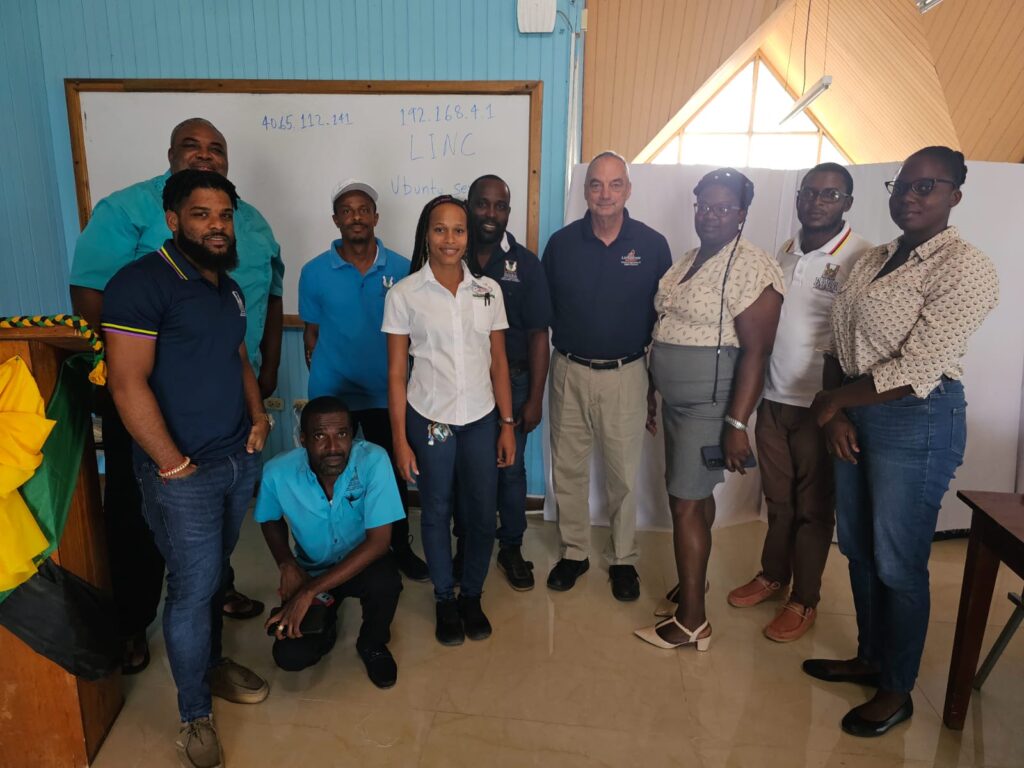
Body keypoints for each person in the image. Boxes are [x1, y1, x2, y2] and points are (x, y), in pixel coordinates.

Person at [70, 117, 279, 671]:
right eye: (193, 145)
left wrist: (266, 378)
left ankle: (214, 588)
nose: (205, 155)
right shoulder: (125, 210)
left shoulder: (248, 221)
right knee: (140, 515)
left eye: (217, 148)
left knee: (216, 511)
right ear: (171, 155)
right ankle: (134, 622)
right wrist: (134, 375)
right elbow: (91, 293)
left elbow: (265, 298)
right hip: (147, 400)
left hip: (229, 396)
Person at [803, 147, 999, 737]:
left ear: (954, 197)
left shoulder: (965, 267)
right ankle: (870, 656)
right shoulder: (874, 259)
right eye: (902, 186)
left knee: (898, 561)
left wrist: (836, 402)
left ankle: (897, 687)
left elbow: (920, 364)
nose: (909, 197)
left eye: (926, 187)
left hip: (917, 421)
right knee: (858, 548)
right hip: (856, 416)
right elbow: (838, 342)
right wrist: (836, 413)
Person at [101, 170, 272, 768]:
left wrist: (258, 419)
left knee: (213, 579)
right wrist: (171, 464)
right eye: (201, 215)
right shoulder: (141, 284)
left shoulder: (226, 288)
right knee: (193, 589)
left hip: (234, 461)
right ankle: (195, 716)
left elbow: (238, 357)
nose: (216, 226)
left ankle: (213, 664)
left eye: (224, 215)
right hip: (182, 475)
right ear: (173, 220)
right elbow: (126, 385)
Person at [634, 168, 783, 650]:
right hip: (678, 402)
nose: (711, 215)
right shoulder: (689, 260)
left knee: (685, 503)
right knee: (691, 499)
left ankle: (692, 620)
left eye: (723, 208)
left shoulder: (752, 267)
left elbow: (757, 353)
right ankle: (692, 583)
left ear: (742, 214)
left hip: (709, 405)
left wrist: (737, 424)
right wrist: (654, 389)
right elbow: (666, 327)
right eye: (704, 206)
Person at [727, 163, 873, 643]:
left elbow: (860, 340)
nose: (816, 202)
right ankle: (773, 575)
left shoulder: (861, 257)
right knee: (779, 503)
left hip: (820, 407)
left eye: (830, 195)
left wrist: (839, 410)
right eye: (809, 192)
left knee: (813, 509)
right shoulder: (785, 252)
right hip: (772, 398)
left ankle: (804, 599)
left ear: (847, 202)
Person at [382, 195, 516, 646]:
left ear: (468, 235)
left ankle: (471, 595)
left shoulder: (488, 291)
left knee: (481, 513)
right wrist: (399, 440)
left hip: (480, 419)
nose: (450, 239)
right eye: (440, 229)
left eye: (458, 230)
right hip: (431, 420)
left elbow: (499, 362)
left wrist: (508, 424)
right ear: (426, 234)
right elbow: (398, 373)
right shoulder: (404, 295)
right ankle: (444, 598)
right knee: (436, 511)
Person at [543, 151, 672, 601]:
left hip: (627, 373)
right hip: (569, 371)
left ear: (628, 190)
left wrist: (654, 385)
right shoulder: (560, 245)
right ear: (585, 191)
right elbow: (546, 314)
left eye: (615, 184)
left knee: (622, 473)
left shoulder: (653, 246)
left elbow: (664, 320)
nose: (605, 193)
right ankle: (575, 551)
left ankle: (623, 559)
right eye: (596, 184)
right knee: (569, 468)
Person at [299, 179, 429, 583]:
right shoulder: (314, 272)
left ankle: (398, 545)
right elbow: (311, 335)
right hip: (333, 396)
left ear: (375, 216)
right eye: (347, 210)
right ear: (335, 219)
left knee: (391, 473)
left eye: (363, 209)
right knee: (331, 474)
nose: (356, 216)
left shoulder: (402, 268)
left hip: (386, 394)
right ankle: (338, 550)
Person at [256, 396, 404, 689]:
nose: (334, 448)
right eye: (320, 436)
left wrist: (308, 592)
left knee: (386, 581)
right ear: (303, 440)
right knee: (290, 657)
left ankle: (372, 643)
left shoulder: (374, 461)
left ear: (353, 435)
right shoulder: (277, 472)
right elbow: (268, 517)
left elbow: (379, 542)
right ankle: (325, 624)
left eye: (342, 435)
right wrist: (286, 562)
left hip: (363, 563)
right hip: (312, 567)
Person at [450, 175, 552, 590]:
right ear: (469, 205)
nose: (491, 214)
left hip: (515, 385)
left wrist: (536, 399)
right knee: (463, 470)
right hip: (462, 387)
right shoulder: (446, 255)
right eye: (482, 204)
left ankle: (511, 546)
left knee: (510, 473)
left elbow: (538, 335)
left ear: (508, 212)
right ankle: (466, 545)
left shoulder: (525, 265)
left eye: (500, 206)